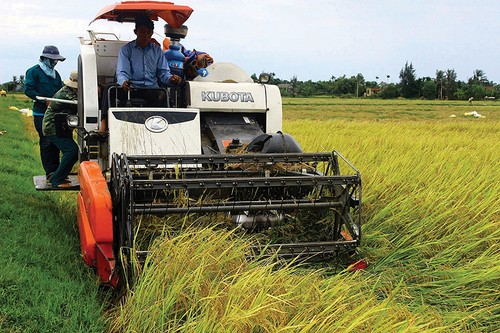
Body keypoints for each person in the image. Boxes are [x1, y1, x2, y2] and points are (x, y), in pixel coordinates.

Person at [24, 45, 66, 181]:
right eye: (52, 60)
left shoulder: (56, 74)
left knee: (56, 142)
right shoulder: (33, 72)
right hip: (41, 114)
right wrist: (44, 101)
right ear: (45, 58)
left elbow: (61, 91)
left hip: (55, 114)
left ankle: (57, 171)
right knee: (47, 142)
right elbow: (28, 90)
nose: (55, 62)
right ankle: (50, 172)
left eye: (56, 60)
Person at [42, 71, 79, 189]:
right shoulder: (67, 94)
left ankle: (59, 176)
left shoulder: (70, 91)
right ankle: (57, 180)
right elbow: (81, 104)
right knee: (71, 151)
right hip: (53, 127)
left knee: (72, 152)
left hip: (61, 126)